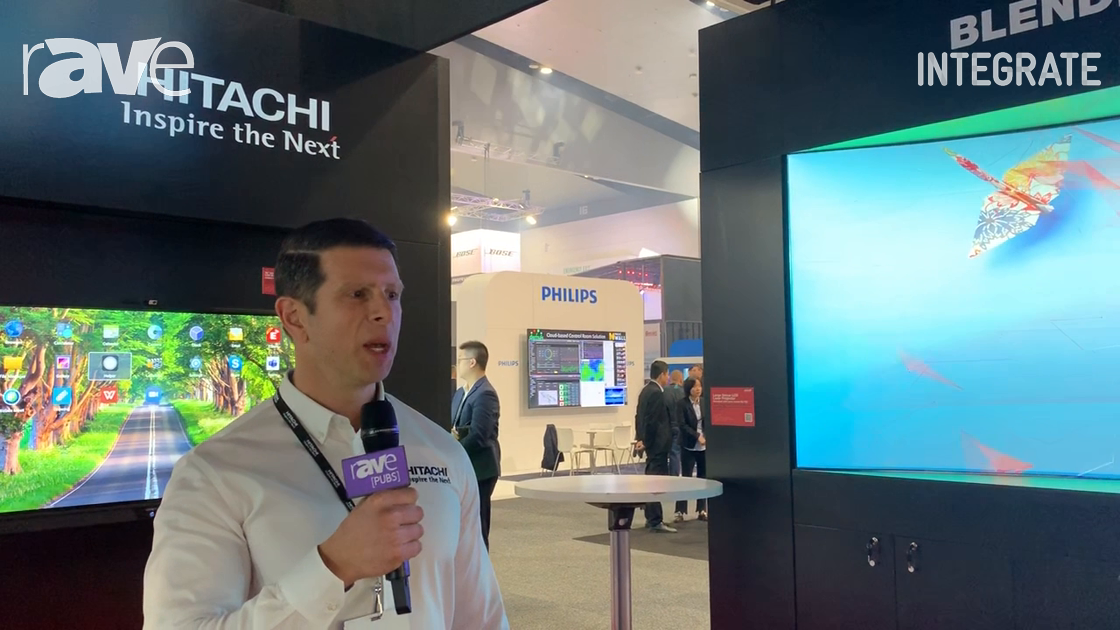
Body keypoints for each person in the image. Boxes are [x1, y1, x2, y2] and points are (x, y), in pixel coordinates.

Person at [143, 218, 509, 629]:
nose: (383, 313)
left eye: (392, 295)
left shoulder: (442, 453)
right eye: (357, 294)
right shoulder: (216, 473)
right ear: (294, 317)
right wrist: (333, 567)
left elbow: (481, 618)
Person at [451, 340, 502, 550]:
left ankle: (481, 567)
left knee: (478, 527)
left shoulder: (485, 394)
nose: (457, 364)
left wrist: (453, 448)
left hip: (480, 469)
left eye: (460, 360)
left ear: (472, 362)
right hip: (463, 467)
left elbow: (480, 435)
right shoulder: (460, 392)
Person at [634, 360, 676, 533]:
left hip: (651, 444)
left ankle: (651, 518)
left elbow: (639, 417)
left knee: (651, 480)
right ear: (662, 375)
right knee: (655, 482)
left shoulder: (645, 391)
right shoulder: (657, 393)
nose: (668, 378)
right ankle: (655, 520)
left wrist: (640, 438)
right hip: (657, 445)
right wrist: (647, 441)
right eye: (667, 374)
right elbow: (652, 421)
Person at [674, 377, 708, 522]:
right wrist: (697, 436)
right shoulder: (682, 404)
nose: (698, 389)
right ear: (689, 389)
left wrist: (705, 436)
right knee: (686, 478)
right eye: (694, 387)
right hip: (689, 444)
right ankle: (680, 511)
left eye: (699, 386)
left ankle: (702, 509)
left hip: (704, 446)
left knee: (703, 477)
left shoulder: (705, 402)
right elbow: (682, 425)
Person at [663, 369, 685, 477]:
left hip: (666, 426)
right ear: (681, 379)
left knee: (665, 453)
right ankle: (675, 476)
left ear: (670, 378)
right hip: (680, 426)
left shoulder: (664, 391)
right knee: (675, 453)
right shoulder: (684, 392)